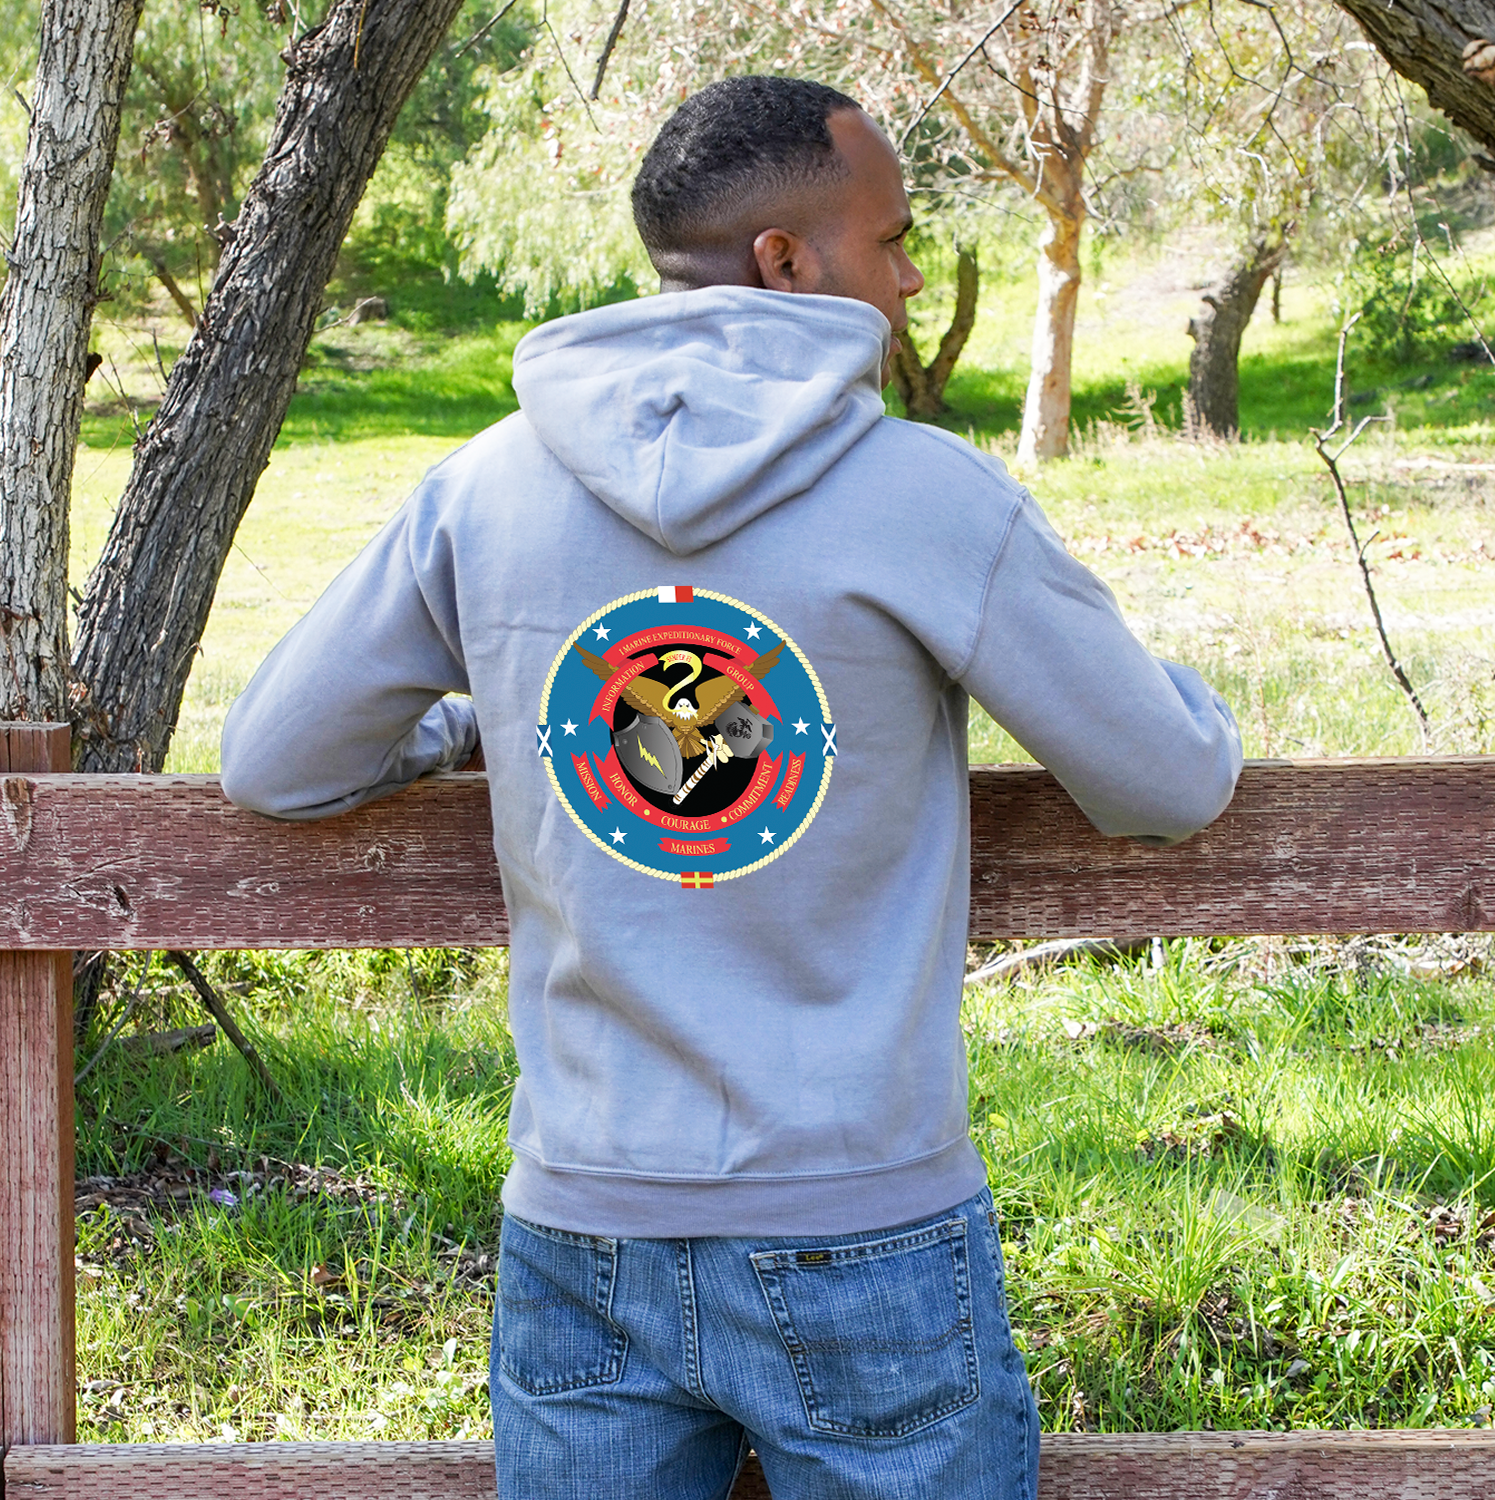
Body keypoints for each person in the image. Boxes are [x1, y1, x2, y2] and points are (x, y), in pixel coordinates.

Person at [221, 75, 1241, 1500]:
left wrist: (460, 727)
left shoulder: (484, 491)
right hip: (864, 1218)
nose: (910, 281)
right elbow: (1164, 783)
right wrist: (1189, 698)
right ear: (786, 259)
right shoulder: (930, 499)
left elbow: (274, 760)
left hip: (583, 1224)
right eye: (893, 241)